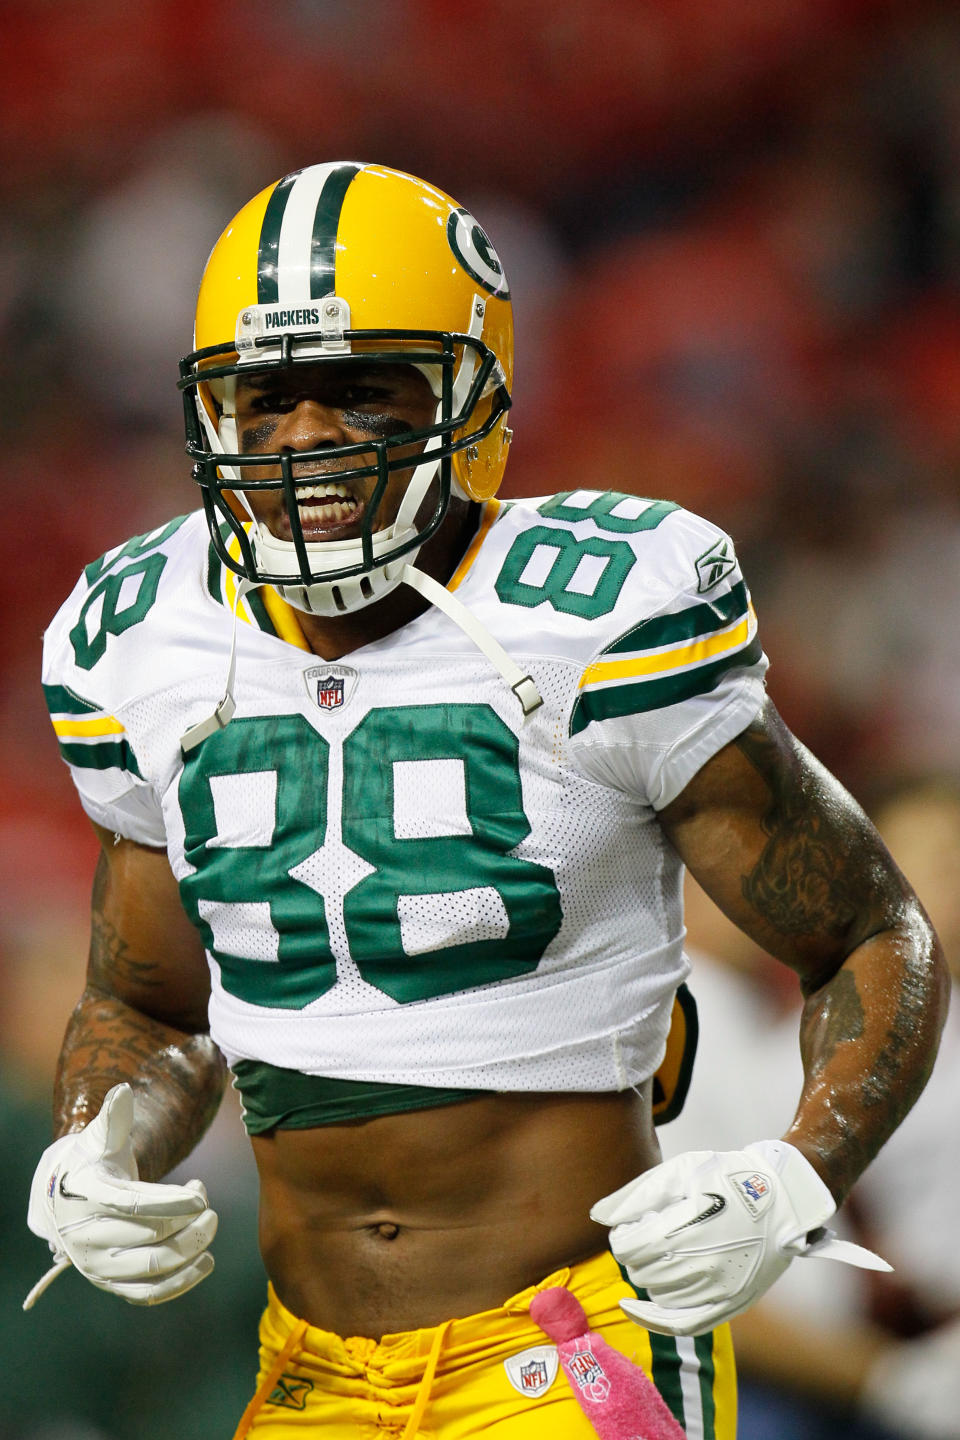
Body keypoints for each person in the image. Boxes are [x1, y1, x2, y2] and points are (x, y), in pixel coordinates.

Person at [26, 162, 948, 1440]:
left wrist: (796, 1173)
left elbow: (868, 929)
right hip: (309, 1373)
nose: (306, 440)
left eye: (361, 393)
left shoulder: (597, 610)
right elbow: (146, 1002)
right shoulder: (139, 634)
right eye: (267, 397)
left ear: (473, 397)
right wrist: (97, 1144)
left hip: (573, 1336)